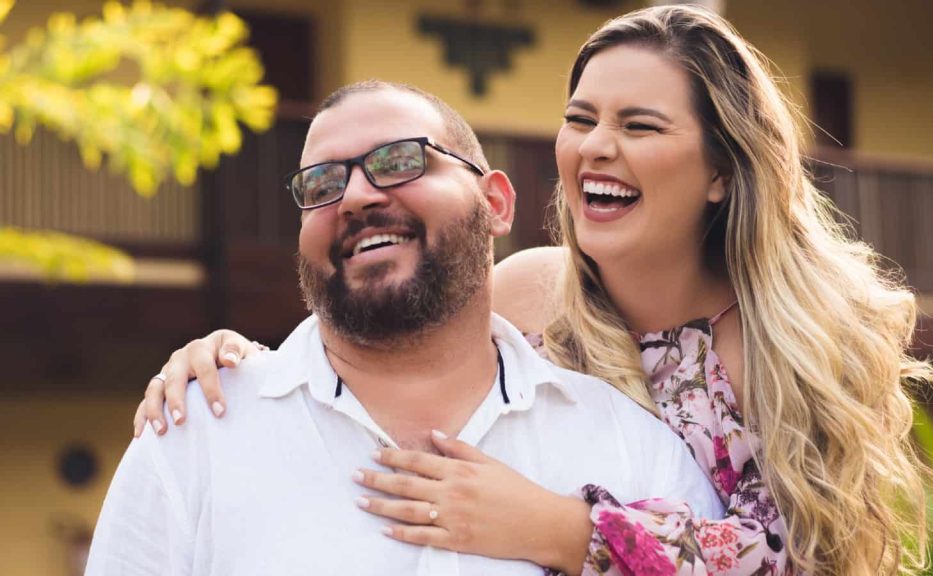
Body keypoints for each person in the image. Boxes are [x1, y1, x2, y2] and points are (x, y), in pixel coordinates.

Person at [135, 6, 933, 575]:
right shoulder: (531, 291)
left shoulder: (791, 342)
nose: (595, 148)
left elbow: (799, 564)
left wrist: (562, 530)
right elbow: (391, 339)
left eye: (639, 125)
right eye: (581, 119)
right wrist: (236, 360)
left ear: (722, 172)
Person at [86, 80, 723, 575]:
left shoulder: (632, 449)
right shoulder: (195, 437)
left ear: (495, 203)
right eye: (322, 183)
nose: (355, 196)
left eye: (399, 161)